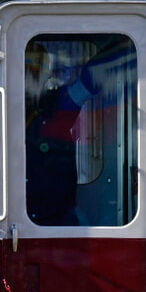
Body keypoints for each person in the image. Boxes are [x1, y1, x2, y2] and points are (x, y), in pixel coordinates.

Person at [24, 44, 99, 226]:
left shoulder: (58, 104)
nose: (29, 78)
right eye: (25, 70)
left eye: (35, 72)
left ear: (46, 76)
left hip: (57, 219)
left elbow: (91, 79)